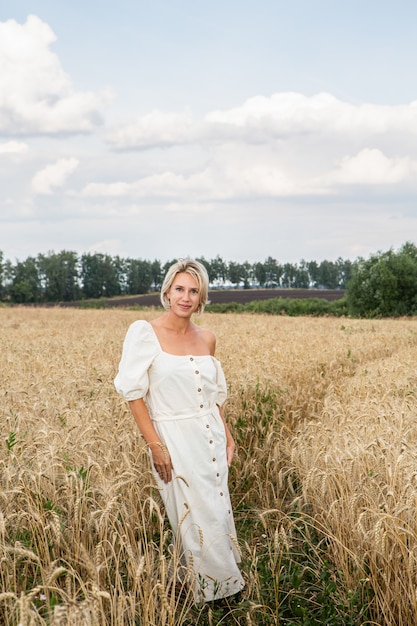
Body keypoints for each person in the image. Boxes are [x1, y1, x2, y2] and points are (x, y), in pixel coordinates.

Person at [114, 258, 245, 603]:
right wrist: (156, 446)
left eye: (193, 290)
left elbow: (214, 397)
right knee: (189, 512)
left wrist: (228, 437)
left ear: (201, 297)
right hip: (173, 438)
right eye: (180, 289)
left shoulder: (208, 338)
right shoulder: (145, 333)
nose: (186, 297)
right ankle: (214, 593)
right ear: (168, 292)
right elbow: (134, 395)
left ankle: (218, 589)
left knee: (216, 508)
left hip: (211, 438)